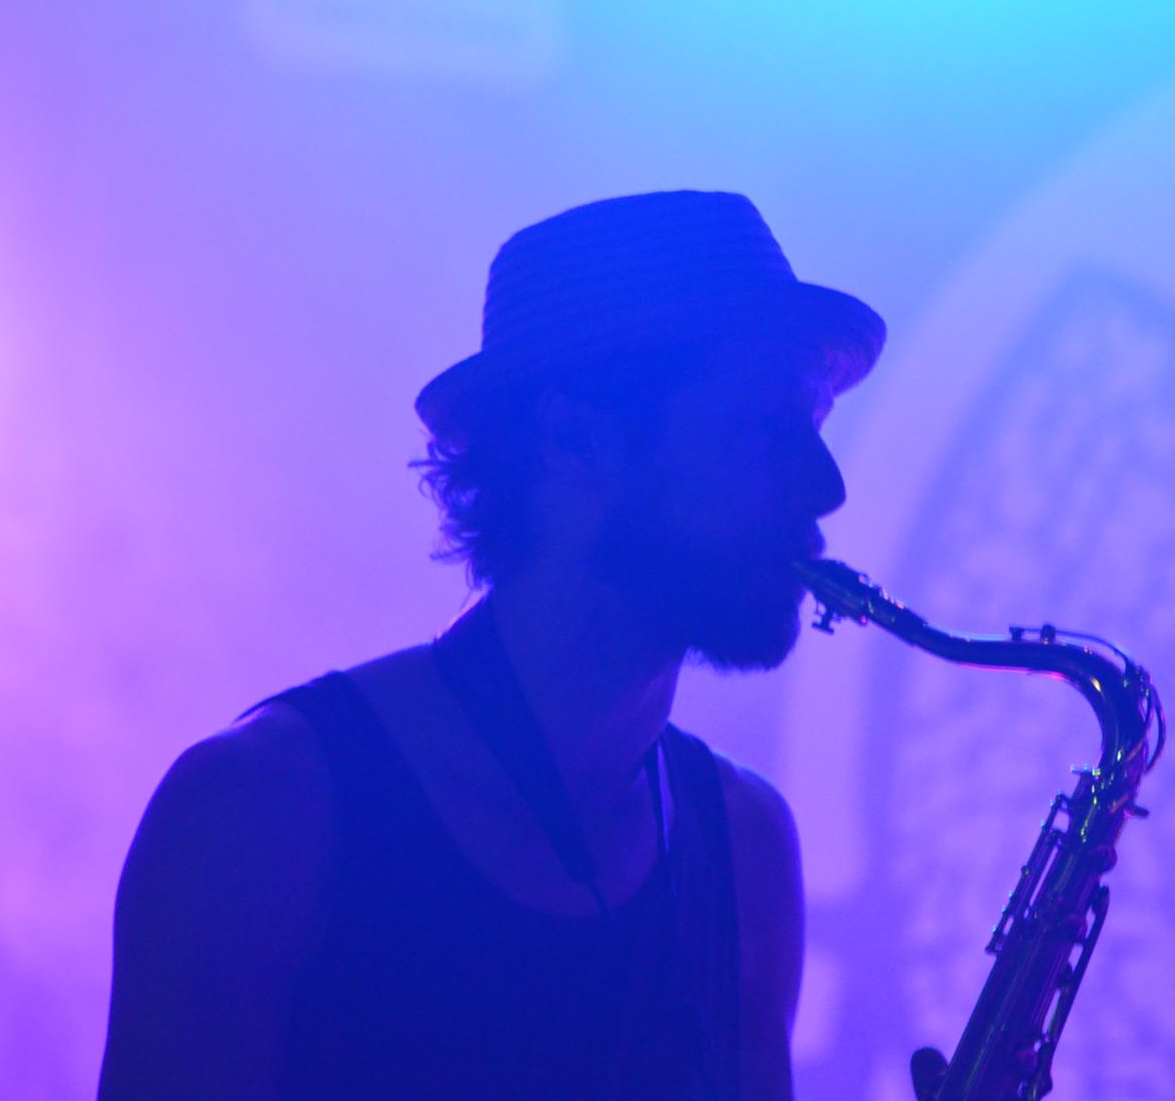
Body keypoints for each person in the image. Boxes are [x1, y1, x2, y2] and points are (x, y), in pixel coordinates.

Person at [98, 190, 887, 1100]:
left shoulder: (747, 846)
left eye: (815, 428)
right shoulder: (261, 811)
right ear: (576, 439)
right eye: (764, 429)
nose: (825, 485)